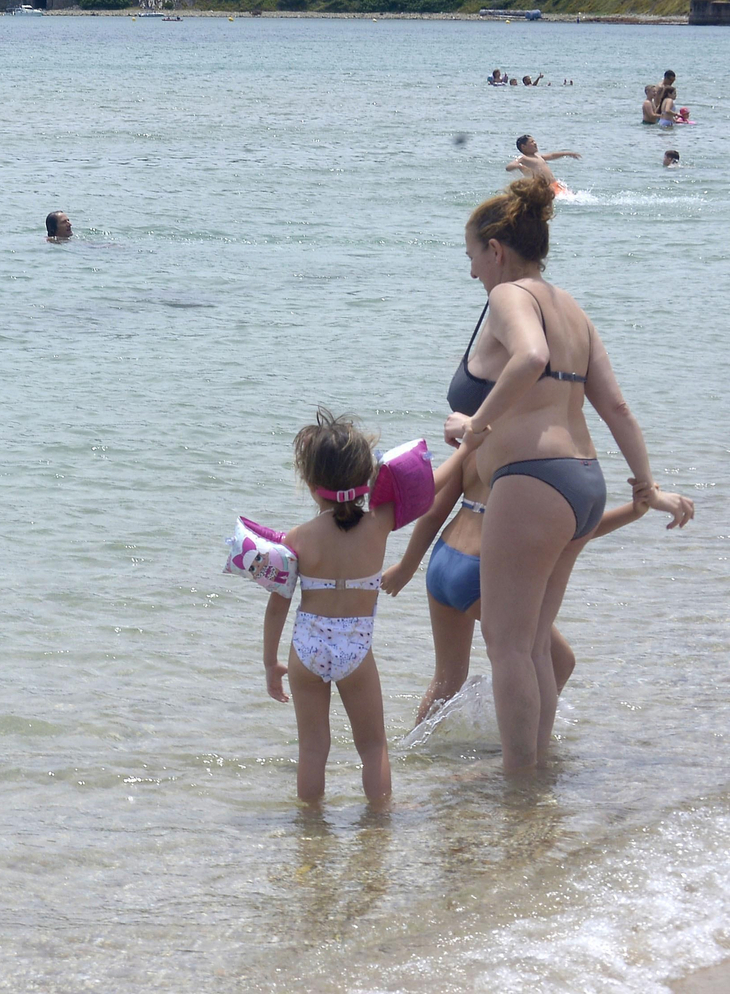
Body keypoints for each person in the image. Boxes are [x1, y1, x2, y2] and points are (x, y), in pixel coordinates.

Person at [441, 176, 694, 774]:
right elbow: (617, 408)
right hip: (582, 482)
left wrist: (476, 427)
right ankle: (535, 778)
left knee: (506, 645)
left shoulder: (509, 297)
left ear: (496, 250)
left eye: (472, 256)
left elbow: (530, 358)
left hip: (532, 483)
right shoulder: (573, 308)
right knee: (531, 645)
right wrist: (646, 488)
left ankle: (518, 785)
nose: (472, 271)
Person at [382, 440, 649, 723]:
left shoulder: (478, 441)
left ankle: (419, 757)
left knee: (447, 678)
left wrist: (406, 566)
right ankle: (509, 749)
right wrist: (633, 511)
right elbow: (571, 529)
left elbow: (435, 511)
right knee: (559, 662)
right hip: (481, 571)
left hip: (443, 560)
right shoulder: (536, 458)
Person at [262, 409, 395, 807]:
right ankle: (379, 822)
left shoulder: (298, 538)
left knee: (313, 748)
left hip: (306, 648)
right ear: (366, 477)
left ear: (309, 483)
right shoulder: (379, 525)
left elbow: (277, 605)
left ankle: (311, 828)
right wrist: (470, 444)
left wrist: (270, 662)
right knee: (372, 746)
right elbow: (419, 482)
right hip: (355, 648)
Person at [506, 135, 578, 195]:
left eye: (534, 141)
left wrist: (567, 153)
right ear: (523, 146)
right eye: (532, 142)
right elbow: (509, 167)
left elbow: (552, 155)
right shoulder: (523, 158)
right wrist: (519, 166)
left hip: (555, 185)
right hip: (545, 188)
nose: (535, 143)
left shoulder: (538, 156)